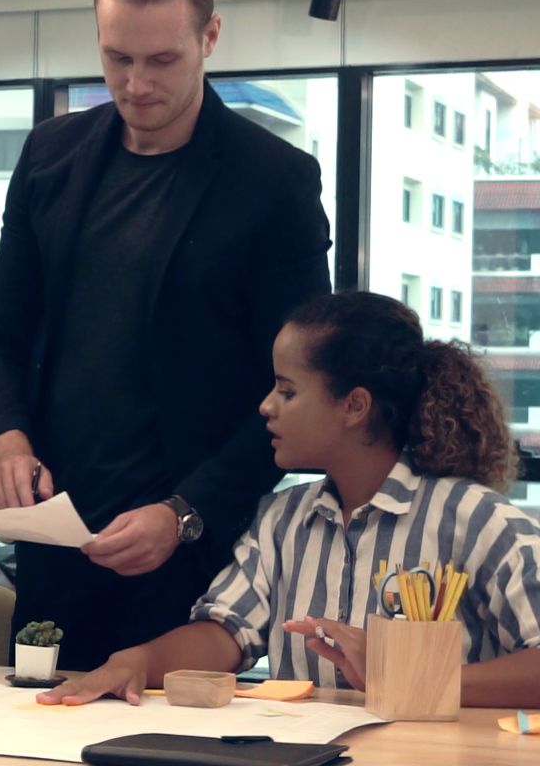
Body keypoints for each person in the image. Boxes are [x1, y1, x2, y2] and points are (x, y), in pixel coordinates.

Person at [0, 0, 331, 669]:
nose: (136, 84)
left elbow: (296, 392)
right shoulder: (50, 156)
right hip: (56, 549)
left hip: (192, 563)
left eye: (162, 60)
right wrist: (7, 440)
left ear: (210, 36)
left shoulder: (274, 182)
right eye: (117, 59)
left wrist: (185, 513)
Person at [38, 291, 540, 708]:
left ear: (354, 406)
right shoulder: (282, 518)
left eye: (287, 390)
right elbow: (225, 633)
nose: (265, 406)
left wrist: (407, 680)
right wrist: (137, 661)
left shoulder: (478, 521)